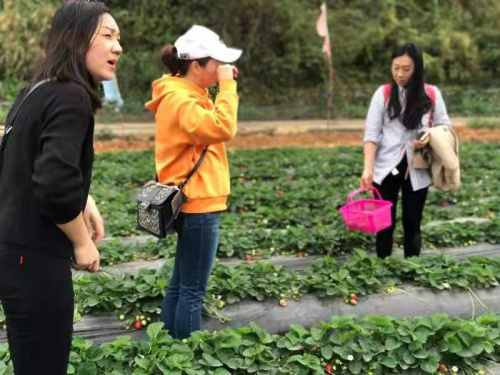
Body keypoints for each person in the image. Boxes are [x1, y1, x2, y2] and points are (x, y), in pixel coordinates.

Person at [0, 1, 122, 373]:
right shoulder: (72, 96)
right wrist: (82, 242)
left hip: (14, 249)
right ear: (75, 38)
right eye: (107, 35)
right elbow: (53, 183)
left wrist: (82, 197)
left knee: (30, 359)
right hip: (34, 257)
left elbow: (22, 158)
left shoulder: (39, 89)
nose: (118, 47)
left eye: (119, 38)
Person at [145, 25, 241, 339]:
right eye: (217, 64)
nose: (223, 69)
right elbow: (223, 127)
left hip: (193, 201)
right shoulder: (183, 101)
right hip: (198, 205)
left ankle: (170, 347)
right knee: (192, 292)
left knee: (180, 284)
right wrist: (226, 88)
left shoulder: (185, 93)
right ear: (196, 66)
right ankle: (188, 356)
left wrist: (217, 83)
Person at [361, 43, 451, 259]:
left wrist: (428, 136)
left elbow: (445, 127)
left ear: (417, 68)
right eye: (396, 68)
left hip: (417, 166)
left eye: (406, 69)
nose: (400, 74)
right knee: (384, 223)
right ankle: (382, 267)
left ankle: (412, 268)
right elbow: (371, 136)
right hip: (386, 169)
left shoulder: (431, 94)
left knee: (412, 222)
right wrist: (367, 170)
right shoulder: (382, 94)